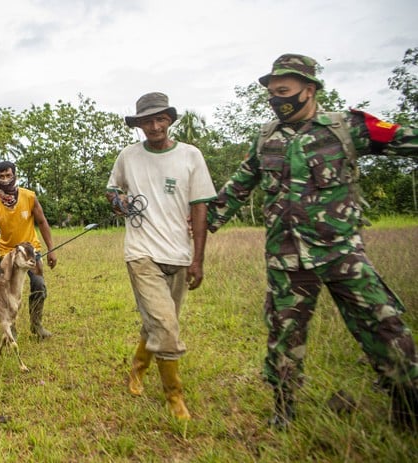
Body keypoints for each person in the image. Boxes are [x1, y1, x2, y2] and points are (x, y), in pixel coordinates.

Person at [207, 53, 418, 430]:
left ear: (309, 89)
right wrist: (199, 224)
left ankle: (406, 402)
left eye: (283, 91)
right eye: (272, 93)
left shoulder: (348, 128)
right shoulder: (266, 137)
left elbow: (408, 139)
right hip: (287, 258)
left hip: (343, 254)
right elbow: (237, 187)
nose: (276, 99)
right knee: (284, 335)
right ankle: (284, 409)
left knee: (383, 325)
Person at [106, 92, 216, 420]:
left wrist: (198, 259)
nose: (154, 126)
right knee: (166, 326)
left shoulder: (191, 156)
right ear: (139, 124)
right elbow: (113, 190)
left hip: (180, 255)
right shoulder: (128, 156)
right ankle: (174, 397)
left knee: (157, 322)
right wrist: (120, 202)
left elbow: (200, 206)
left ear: (169, 119)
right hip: (141, 253)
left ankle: (137, 369)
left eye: (160, 119)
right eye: (147, 121)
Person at [0, 161, 57, 339]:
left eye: (8, 175)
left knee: (39, 285)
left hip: (31, 250)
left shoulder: (29, 197)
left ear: (15, 175)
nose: (5, 179)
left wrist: (51, 249)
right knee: (7, 290)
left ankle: (36, 324)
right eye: (1, 176)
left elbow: (42, 222)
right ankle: (10, 327)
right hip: (7, 253)